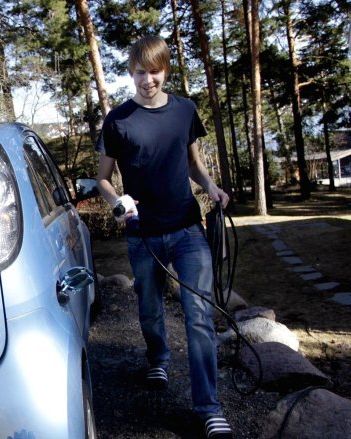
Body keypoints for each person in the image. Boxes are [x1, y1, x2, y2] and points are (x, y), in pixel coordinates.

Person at [94, 35, 233, 439]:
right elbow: (102, 179)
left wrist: (211, 187)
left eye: (154, 72)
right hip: (143, 236)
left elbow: (194, 164)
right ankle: (158, 358)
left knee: (199, 315)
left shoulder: (185, 110)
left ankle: (209, 407)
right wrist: (118, 201)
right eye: (140, 72)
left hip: (187, 229)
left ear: (165, 70)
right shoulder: (118, 121)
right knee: (150, 309)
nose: (147, 80)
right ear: (131, 73)